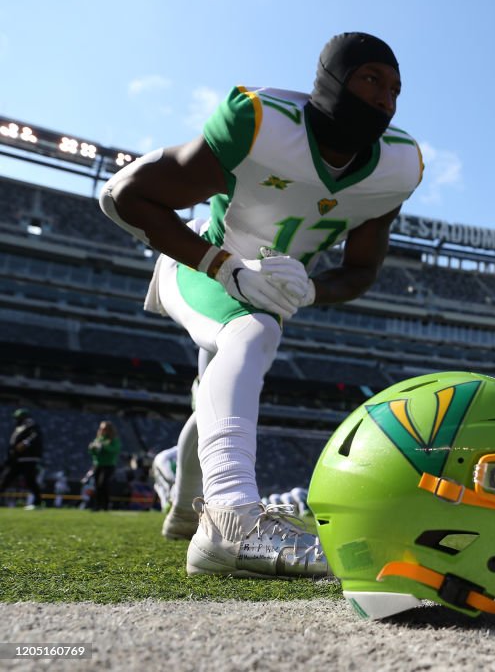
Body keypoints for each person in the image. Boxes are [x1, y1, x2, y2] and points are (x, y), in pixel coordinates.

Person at [98, 32, 421, 578]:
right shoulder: (260, 122)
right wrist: (223, 266)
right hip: (200, 262)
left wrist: (312, 288)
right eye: (371, 79)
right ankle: (229, 519)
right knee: (251, 335)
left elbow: (362, 270)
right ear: (332, 81)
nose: (385, 99)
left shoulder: (398, 167)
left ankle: (181, 499)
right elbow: (123, 194)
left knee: (222, 390)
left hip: (269, 287)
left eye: (395, 89)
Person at [1, 408, 44, 510]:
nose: (16, 420)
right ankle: (38, 502)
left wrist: (25, 443)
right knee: (6, 478)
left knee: (29, 480)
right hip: (17, 458)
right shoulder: (19, 427)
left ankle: (38, 503)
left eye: (18, 418)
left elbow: (35, 435)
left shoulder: (31, 424)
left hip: (28, 458)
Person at [88, 421, 122, 511]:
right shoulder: (99, 439)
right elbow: (93, 453)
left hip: (109, 465)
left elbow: (115, 450)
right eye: (101, 428)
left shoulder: (114, 440)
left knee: (103, 484)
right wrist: (92, 449)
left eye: (104, 429)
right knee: (96, 485)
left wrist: (104, 447)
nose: (102, 430)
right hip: (98, 465)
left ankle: (105, 506)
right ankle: (97, 505)